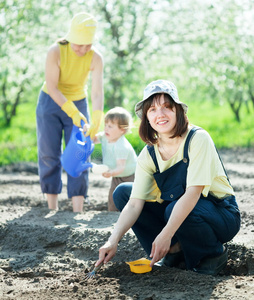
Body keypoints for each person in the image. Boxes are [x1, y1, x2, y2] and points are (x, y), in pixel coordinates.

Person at [95, 79, 241, 275]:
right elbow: (133, 204)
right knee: (123, 193)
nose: (160, 114)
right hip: (182, 210)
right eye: (152, 110)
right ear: (146, 117)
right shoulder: (149, 154)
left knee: (175, 208)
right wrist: (112, 240)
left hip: (220, 213)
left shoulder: (197, 139)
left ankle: (212, 255)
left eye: (167, 107)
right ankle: (174, 252)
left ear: (178, 111)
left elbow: (193, 194)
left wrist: (166, 233)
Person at [36, 12, 104, 213]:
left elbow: (97, 91)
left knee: (80, 154)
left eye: (87, 44)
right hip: (50, 102)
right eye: (78, 44)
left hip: (79, 103)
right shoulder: (55, 51)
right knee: (49, 153)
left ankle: (78, 209)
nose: (83, 49)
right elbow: (53, 86)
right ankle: (52, 207)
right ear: (70, 37)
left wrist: (97, 118)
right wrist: (72, 112)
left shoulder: (96, 58)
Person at [92, 107, 137, 211]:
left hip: (130, 175)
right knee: (113, 194)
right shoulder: (105, 136)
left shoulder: (121, 146)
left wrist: (110, 173)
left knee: (130, 196)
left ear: (122, 130)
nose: (106, 128)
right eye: (106, 125)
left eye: (110, 126)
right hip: (117, 175)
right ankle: (112, 211)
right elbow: (92, 139)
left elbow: (121, 167)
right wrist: (87, 130)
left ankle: (129, 212)